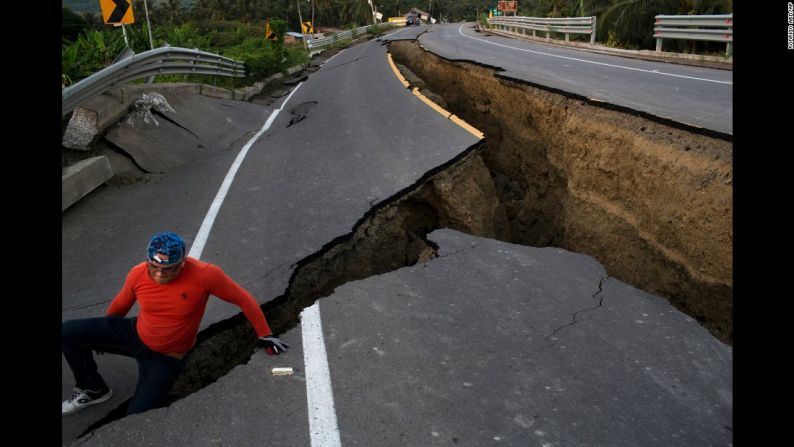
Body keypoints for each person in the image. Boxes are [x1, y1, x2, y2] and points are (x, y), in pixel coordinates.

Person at [62, 231, 289, 416]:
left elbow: (243, 299)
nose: (159, 274)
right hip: (134, 332)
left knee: (137, 416)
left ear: (182, 263)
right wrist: (101, 334)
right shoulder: (138, 273)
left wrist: (264, 333)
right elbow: (119, 306)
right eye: (154, 267)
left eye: (167, 269)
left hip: (165, 357)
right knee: (68, 332)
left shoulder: (205, 275)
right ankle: (92, 388)